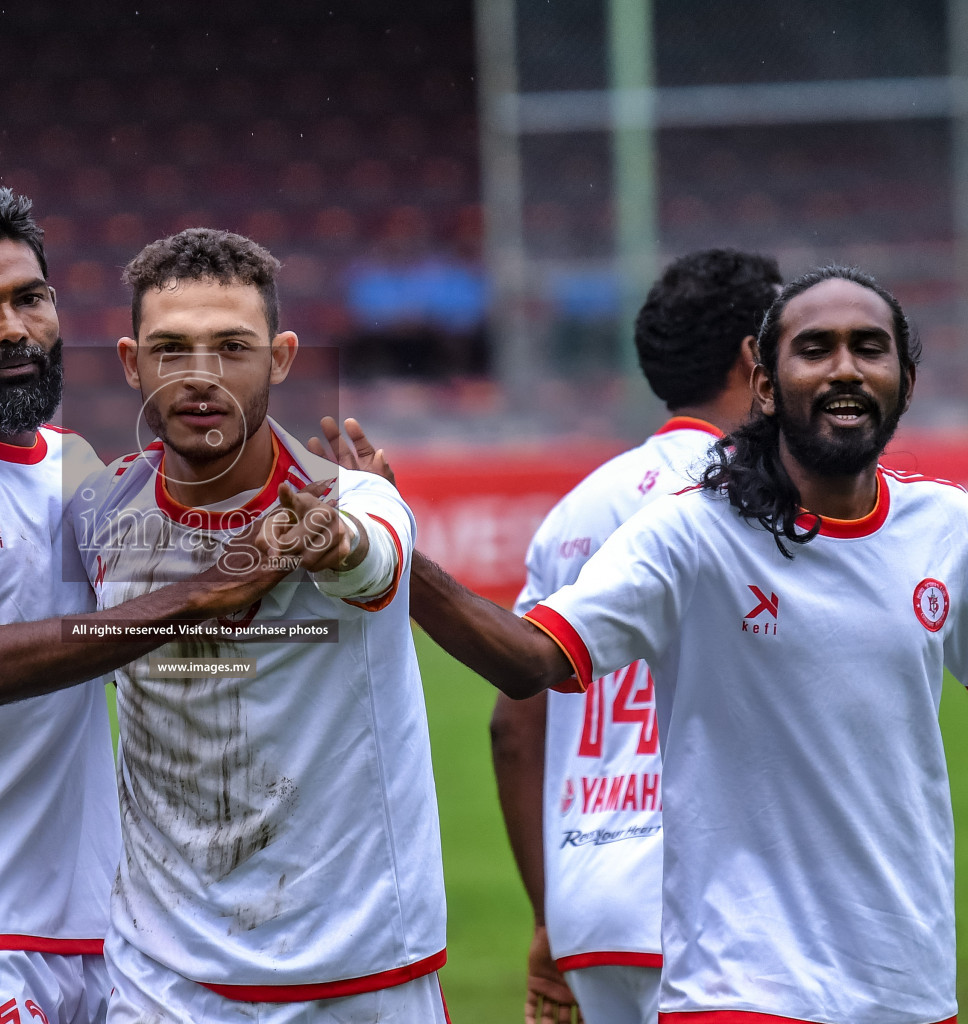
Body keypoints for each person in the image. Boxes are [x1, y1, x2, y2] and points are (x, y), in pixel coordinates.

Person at [388, 266, 966, 1024]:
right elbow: (531, 660)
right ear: (763, 381)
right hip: (743, 987)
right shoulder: (692, 530)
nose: (846, 368)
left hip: (908, 986)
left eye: (869, 347)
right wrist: (395, 559)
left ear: (906, 377)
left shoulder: (947, 529)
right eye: (815, 348)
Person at [0, 191, 297, 1024]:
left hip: (101, 925)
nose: (13, 328)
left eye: (30, 297)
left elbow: (148, 650)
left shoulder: (80, 472)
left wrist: (356, 505)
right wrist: (199, 594)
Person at [69, 228, 448, 1023]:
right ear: (132, 364)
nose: (202, 377)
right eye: (171, 350)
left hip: (360, 978)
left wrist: (335, 545)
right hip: (161, 980)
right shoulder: (94, 516)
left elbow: (373, 558)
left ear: (280, 357)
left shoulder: (351, 498)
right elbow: (38, 651)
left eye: (231, 347)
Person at [492, 249, 779, 1024]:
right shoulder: (761, 498)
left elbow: (514, 724)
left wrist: (549, 915)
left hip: (589, 899)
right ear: (756, 356)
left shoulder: (576, 510)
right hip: (719, 897)